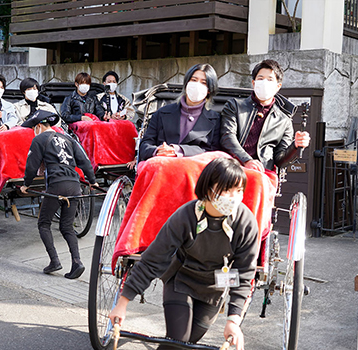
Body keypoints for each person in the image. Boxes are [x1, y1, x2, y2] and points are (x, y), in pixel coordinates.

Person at [108, 157, 259, 350]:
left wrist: (233, 320)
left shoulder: (245, 222)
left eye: (238, 191)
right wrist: (123, 302)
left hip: (215, 285)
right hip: (181, 279)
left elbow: (243, 273)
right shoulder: (186, 216)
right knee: (178, 340)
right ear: (209, 188)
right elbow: (153, 259)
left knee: (185, 345)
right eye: (226, 190)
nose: (233, 197)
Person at [19, 110, 98, 279]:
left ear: (39, 126)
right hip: (74, 185)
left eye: (34, 128)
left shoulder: (39, 139)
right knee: (67, 227)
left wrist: (26, 185)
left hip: (56, 185)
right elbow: (84, 161)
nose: (34, 131)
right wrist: (92, 181)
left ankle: (54, 261)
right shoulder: (68, 139)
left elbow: (32, 166)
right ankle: (77, 262)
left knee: (43, 223)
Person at [220, 59, 310, 172]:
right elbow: (227, 137)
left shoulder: (284, 120)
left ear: (278, 86)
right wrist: (247, 160)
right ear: (253, 83)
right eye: (260, 78)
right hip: (232, 167)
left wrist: (295, 146)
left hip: (262, 171)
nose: (264, 82)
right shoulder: (234, 106)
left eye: (270, 79)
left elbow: (280, 160)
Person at [138, 63, 221, 162]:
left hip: (194, 171)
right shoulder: (162, 113)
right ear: (186, 83)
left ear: (209, 90)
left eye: (204, 83)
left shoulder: (215, 119)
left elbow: (213, 152)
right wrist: (158, 151)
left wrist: (178, 150)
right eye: (194, 80)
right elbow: (145, 145)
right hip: (162, 165)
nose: (197, 85)